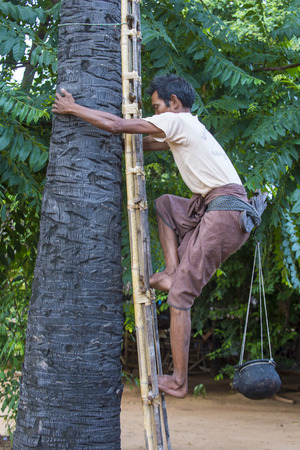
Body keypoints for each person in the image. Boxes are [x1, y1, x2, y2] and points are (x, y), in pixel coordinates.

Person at [52, 75, 255, 398]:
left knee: (180, 299)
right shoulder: (187, 127)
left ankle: (178, 381)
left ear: (174, 103)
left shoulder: (177, 121)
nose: (156, 112)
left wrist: (74, 108)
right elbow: (138, 140)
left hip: (223, 214)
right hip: (215, 209)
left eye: (157, 106)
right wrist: (105, 134)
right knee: (166, 206)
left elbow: (120, 126)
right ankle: (172, 272)